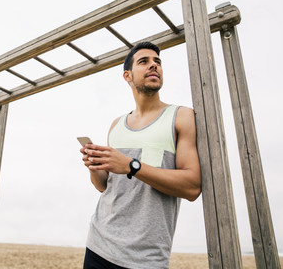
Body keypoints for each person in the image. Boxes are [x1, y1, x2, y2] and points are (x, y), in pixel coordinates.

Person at [80, 41, 201, 269]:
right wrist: (94, 167)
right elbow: (104, 186)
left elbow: (192, 187)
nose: (153, 66)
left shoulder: (181, 116)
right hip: (98, 245)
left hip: (146, 259)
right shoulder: (116, 125)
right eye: (144, 62)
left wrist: (131, 166)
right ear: (127, 75)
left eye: (157, 62)